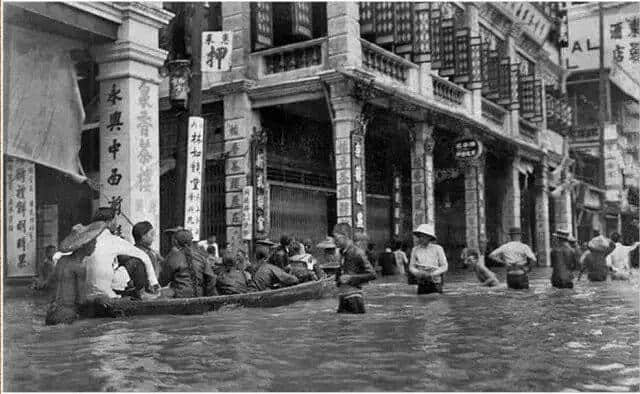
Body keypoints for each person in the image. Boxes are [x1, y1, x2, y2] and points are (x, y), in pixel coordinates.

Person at [85, 208, 160, 300]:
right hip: (106, 289)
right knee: (136, 262)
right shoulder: (113, 240)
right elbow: (143, 257)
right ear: (109, 222)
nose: (116, 224)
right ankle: (142, 293)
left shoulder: (85, 239)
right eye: (115, 220)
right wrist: (154, 283)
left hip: (87, 288)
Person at [45, 222, 106, 325]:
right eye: (93, 242)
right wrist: (99, 298)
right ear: (84, 245)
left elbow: (52, 285)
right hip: (67, 314)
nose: (95, 246)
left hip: (52, 311)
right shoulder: (79, 267)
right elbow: (81, 300)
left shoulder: (61, 260)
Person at [160, 228, 217, 298]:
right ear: (191, 241)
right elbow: (211, 279)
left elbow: (162, 281)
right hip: (199, 297)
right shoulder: (201, 256)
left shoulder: (173, 257)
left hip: (179, 298)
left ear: (175, 242)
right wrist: (206, 296)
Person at [333, 223, 376, 313]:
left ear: (345, 236)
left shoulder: (357, 252)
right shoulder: (341, 253)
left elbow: (372, 274)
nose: (334, 241)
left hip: (354, 299)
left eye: (336, 238)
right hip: (343, 297)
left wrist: (351, 278)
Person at [409, 224, 448, 294]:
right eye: (420, 236)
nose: (421, 238)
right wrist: (418, 273)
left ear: (429, 237)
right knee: (421, 302)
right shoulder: (415, 250)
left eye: (424, 236)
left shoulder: (438, 248)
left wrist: (432, 274)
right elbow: (411, 267)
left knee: (436, 301)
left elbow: (444, 266)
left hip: (436, 283)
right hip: (421, 283)